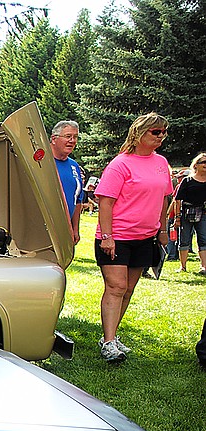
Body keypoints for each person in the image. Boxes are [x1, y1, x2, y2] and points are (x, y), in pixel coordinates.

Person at [93, 112, 173, 362]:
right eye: (156, 132)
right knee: (116, 287)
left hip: (144, 237)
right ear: (139, 133)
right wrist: (107, 236)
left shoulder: (161, 163)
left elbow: (164, 198)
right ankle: (107, 343)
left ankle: (113, 335)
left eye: (164, 132)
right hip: (117, 236)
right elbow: (105, 202)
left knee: (128, 289)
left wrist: (162, 229)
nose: (161, 136)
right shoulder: (120, 163)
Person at [51, 120, 84, 244]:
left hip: (64, 231)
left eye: (75, 137)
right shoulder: (42, 161)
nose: (72, 140)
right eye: (68, 136)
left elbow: (78, 200)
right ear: (54, 139)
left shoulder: (74, 166)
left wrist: (75, 229)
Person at [172, 154, 206, 274]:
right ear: (196, 165)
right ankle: (183, 266)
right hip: (186, 212)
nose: (205, 164)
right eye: (203, 162)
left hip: (203, 213)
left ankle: (204, 266)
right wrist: (177, 217)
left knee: (203, 239)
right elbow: (177, 199)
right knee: (184, 240)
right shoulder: (187, 181)